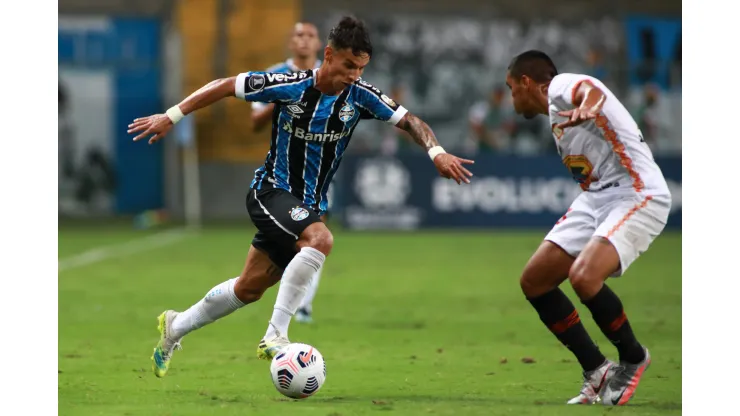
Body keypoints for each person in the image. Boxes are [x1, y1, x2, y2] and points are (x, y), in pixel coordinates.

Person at [127, 16, 474, 378]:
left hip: (306, 206)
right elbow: (225, 85)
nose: (354, 75)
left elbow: (412, 122)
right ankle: (275, 336)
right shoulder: (289, 85)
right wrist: (172, 115)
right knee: (320, 238)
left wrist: (437, 152)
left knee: (248, 288)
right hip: (270, 191)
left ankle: (175, 327)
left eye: (361, 68)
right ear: (328, 55)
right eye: (348, 66)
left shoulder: (361, 96)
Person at [504, 50, 671, 406]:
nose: (511, 96)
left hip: (636, 192)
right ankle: (596, 370)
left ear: (526, 82)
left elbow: (590, 90)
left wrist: (590, 106)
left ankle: (633, 356)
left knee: (583, 277)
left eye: (510, 87)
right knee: (535, 280)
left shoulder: (560, 87)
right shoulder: (554, 112)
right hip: (596, 197)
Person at [251, 21, 324, 324]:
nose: (304, 41)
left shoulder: (330, 76)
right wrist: (285, 97)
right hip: (280, 173)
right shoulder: (273, 75)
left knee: (318, 236)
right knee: (290, 243)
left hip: (315, 171)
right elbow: (254, 123)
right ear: (291, 43)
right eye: (298, 35)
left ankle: (303, 306)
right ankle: (284, 306)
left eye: (309, 36)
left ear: (319, 44)